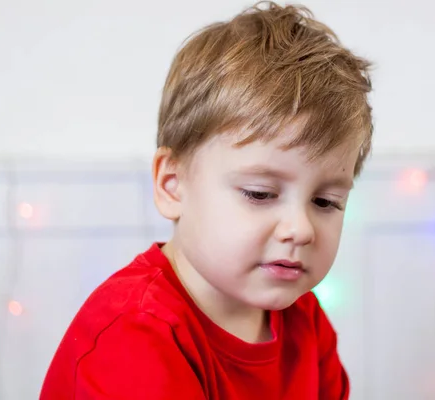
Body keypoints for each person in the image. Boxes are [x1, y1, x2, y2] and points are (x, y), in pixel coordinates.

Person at [40, 1, 373, 399]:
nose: (300, 229)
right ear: (172, 185)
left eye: (325, 202)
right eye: (260, 194)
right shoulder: (134, 334)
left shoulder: (304, 319)